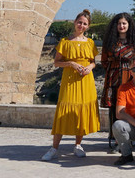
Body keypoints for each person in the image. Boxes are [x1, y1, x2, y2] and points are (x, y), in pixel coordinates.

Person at [42, 10, 99, 161]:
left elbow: (93, 62)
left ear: (88, 26)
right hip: (70, 80)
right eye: (79, 22)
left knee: (81, 111)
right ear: (75, 22)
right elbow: (56, 62)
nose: (81, 25)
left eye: (85, 24)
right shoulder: (65, 42)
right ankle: (54, 148)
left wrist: (89, 68)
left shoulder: (91, 43)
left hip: (85, 80)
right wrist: (71, 63)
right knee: (63, 111)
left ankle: (78, 145)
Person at [101, 13, 135, 148]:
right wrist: (115, 66)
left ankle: (131, 136)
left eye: (124, 23)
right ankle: (116, 138)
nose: (122, 26)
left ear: (129, 25)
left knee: (130, 106)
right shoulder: (110, 42)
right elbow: (103, 61)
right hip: (113, 78)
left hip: (130, 77)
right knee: (114, 107)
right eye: (119, 24)